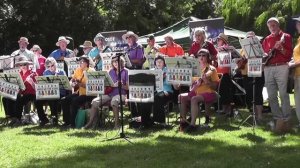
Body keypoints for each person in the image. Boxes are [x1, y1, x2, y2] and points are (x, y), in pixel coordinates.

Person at [262, 17, 292, 132]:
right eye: (270, 26)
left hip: (282, 66)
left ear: (278, 25)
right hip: (268, 68)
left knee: (283, 94)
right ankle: (277, 118)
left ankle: (286, 118)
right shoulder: (266, 39)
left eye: (274, 25)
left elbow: (289, 55)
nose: (272, 28)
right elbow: (265, 55)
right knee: (271, 95)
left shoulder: (286, 37)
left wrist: (281, 48)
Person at [178, 49, 219, 132]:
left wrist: (207, 81)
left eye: (204, 55)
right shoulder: (195, 68)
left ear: (208, 57)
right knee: (181, 96)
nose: (201, 57)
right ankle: (184, 121)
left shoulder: (211, 69)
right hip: (196, 91)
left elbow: (215, 87)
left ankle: (192, 125)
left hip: (209, 92)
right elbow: (191, 82)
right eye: (199, 55)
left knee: (194, 99)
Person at [85, 56, 128, 129]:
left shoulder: (126, 71)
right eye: (114, 61)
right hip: (110, 93)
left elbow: (128, 87)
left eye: (117, 61)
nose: (115, 63)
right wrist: (108, 84)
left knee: (114, 101)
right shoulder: (110, 71)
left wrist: (121, 85)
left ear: (121, 61)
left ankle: (117, 124)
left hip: (121, 94)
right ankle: (91, 123)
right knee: (95, 101)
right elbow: (107, 84)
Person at [2, 56, 48, 126]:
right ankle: (13, 118)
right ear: (19, 66)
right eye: (21, 65)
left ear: (28, 65)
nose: (23, 66)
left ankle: (43, 119)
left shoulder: (33, 73)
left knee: (22, 99)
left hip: (32, 94)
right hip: (22, 93)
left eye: (25, 64)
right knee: (6, 98)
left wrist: (32, 82)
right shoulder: (18, 74)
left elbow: (38, 88)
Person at [239, 31, 265, 121]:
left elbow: (263, 57)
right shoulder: (243, 49)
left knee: (257, 94)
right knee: (250, 94)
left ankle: (260, 115)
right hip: (246, 74)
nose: (250, 38)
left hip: (257, 73)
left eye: (252, 37)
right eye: (248, 37)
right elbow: (240, 64)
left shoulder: (259, 46)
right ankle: (254, 115)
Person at [37, 57, 67, 125]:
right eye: (48, 66)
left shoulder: (61, 71)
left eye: (52, 65)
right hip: (49, 92)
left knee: (53, 99)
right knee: (37, 101)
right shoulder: (46, 72)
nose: (51, 67)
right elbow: (43, 84)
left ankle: (54, 119)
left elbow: (66, 84)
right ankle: (44, 119)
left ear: (55, 64)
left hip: (60, 92)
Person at [152, 56, 174, 124]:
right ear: (155, 63)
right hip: (154, 92)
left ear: (164, 63)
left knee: (158, 96)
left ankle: (160, 121)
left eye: (160, 61)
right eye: (157, 61)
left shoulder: (168, 70)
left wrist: (164, 77)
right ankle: (146, 120)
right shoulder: (151, 71)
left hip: (167, 91)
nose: (159, 63)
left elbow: (169, 83)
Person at [216, 33, 233, 115]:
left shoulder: (228, 49)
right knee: (221, 92)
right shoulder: (217, 49)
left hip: (225, 73)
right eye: (217, 39)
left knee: (225, 91)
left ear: (223, 41)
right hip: (218, 72)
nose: (217, 41)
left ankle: (228, 109)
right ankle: (223, 109)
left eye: (219, 39)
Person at [291, 16, 300, 127]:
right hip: (297, 74)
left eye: (298, 24)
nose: (297, 26)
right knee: (297, 100)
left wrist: (291, 64)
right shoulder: (298, 39)